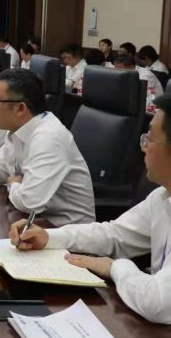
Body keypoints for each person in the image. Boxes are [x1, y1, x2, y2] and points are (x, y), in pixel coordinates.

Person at [9, 91, 171, 325]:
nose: (143, 147)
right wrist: (48, 237)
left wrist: (114, 267)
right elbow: (115, 234)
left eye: (150, 138)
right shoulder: (161, 197)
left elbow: (158, 303)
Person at [0, 68, 95, 227]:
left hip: (63, 229)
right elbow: (3, 165)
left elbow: (30, 202)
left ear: (20, 108)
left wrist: (13, 184)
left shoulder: (48, 138)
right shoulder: (18, 128)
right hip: (33, 221)